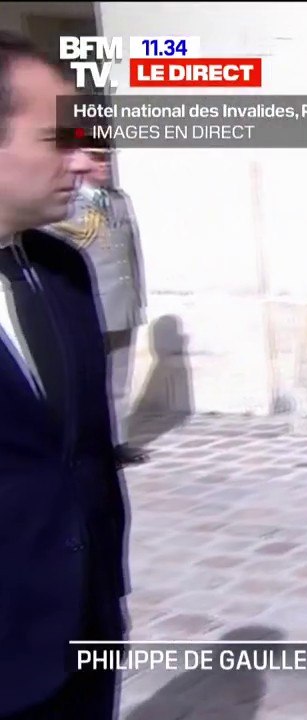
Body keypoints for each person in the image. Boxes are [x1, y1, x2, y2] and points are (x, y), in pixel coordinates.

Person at [0, 31, 127, 719]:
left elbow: (88, 455)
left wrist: (109, 593)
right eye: (58, 139)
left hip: (86, 631)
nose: (83, 162)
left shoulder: (63, 270)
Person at [45, 132, 150, 466]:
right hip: (89, 304)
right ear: (80, 159)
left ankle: (116, 443)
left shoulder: (119, 199)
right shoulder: (65, 204)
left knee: (119, 379)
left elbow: (132, 254)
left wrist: (138, 297)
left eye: (107, 157)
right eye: (96, 157)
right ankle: (85, 443)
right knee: (86, 379)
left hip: (122, 302)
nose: (104, 163)